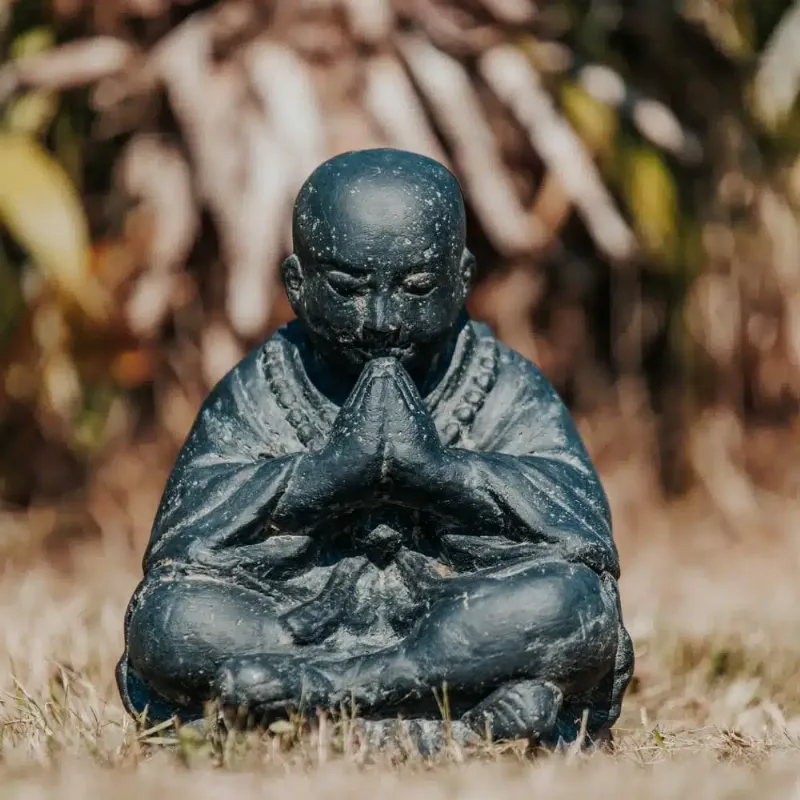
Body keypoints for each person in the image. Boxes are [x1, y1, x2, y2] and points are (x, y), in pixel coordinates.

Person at [116, 148, 633, 750]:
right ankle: (457, 719)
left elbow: (581, 535)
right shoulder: (265, 386)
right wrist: (324, 476)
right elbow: (184, 546)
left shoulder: (499, 382)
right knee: (170, 619)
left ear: (462, 278)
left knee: (573, 603)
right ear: (297, 285)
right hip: (297, 622)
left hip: (457, 625)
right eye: (347, 288)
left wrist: (440, 474)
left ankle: (308, 703)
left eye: (417, 288)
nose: (383, 319)